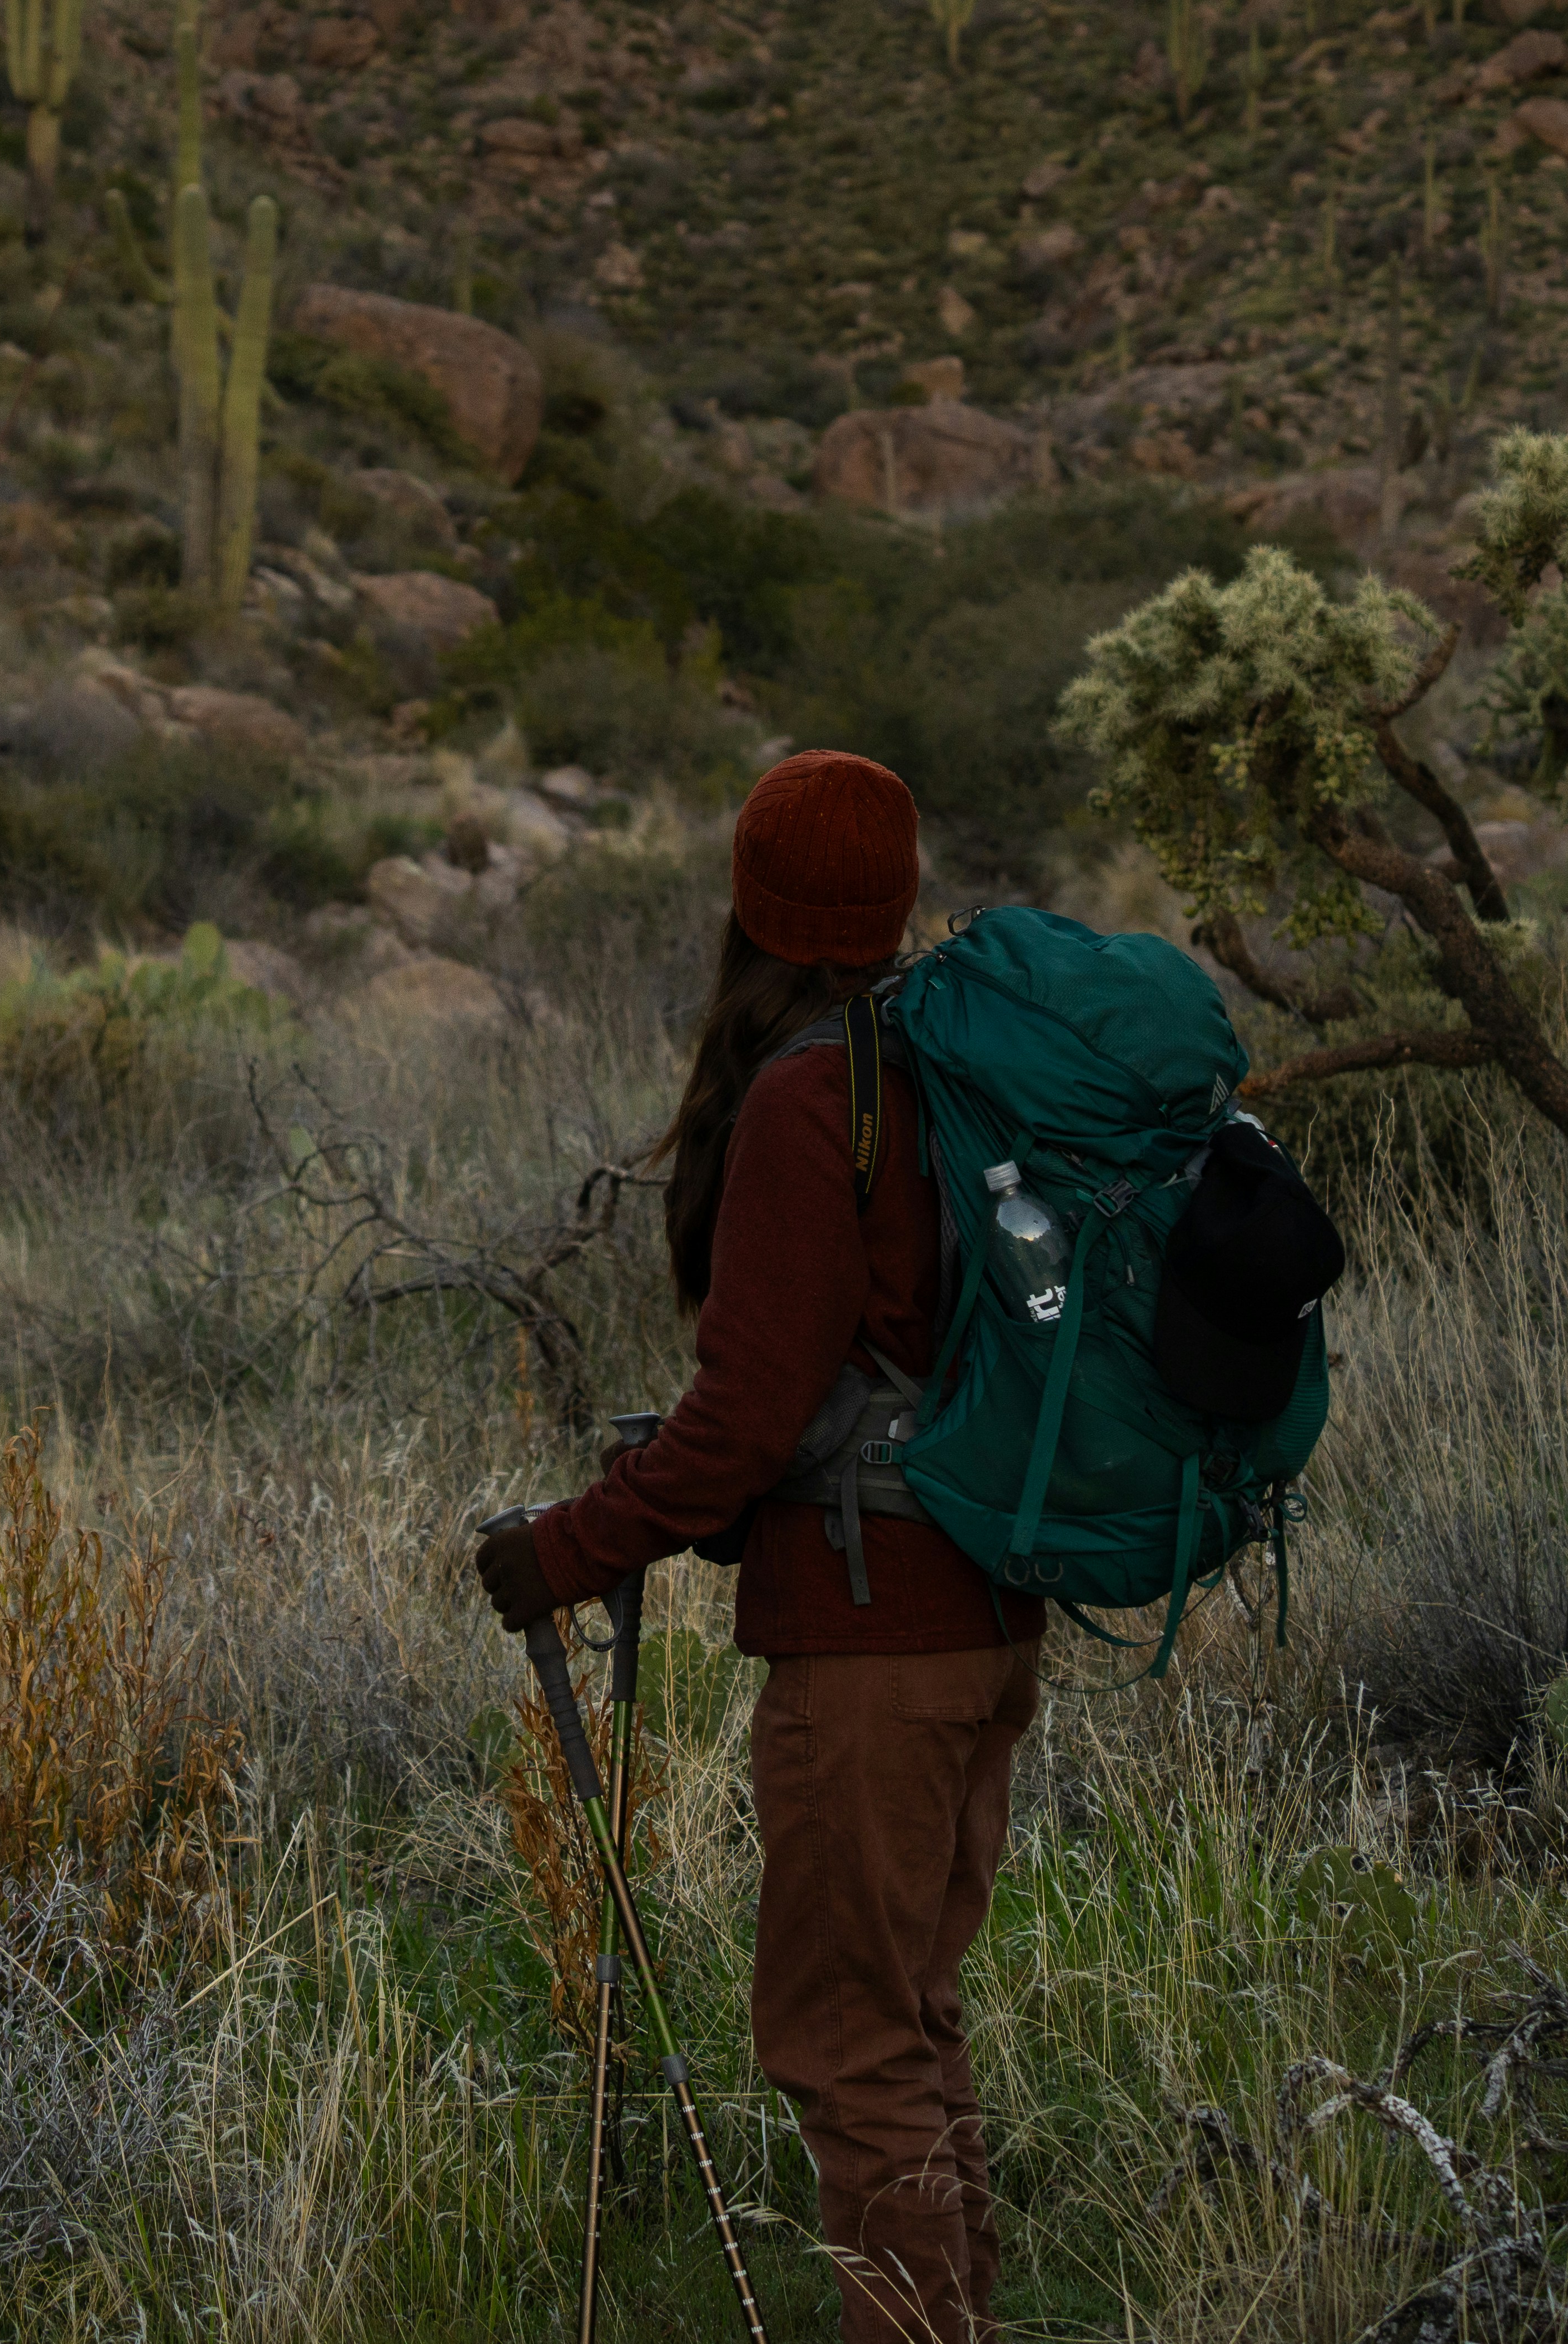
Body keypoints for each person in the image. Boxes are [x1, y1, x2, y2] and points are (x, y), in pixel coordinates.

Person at [472, 747, 1033, 2344]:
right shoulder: (944, 1062)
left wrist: (569, 1548)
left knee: (850, 2041)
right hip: (979, 1613)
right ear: (898, 896)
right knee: (907, 2017)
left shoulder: (810, 1091)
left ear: (757, 905)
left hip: (876, 1645)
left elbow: (748, 1416)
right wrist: (676, 1478)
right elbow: (817, 1390)